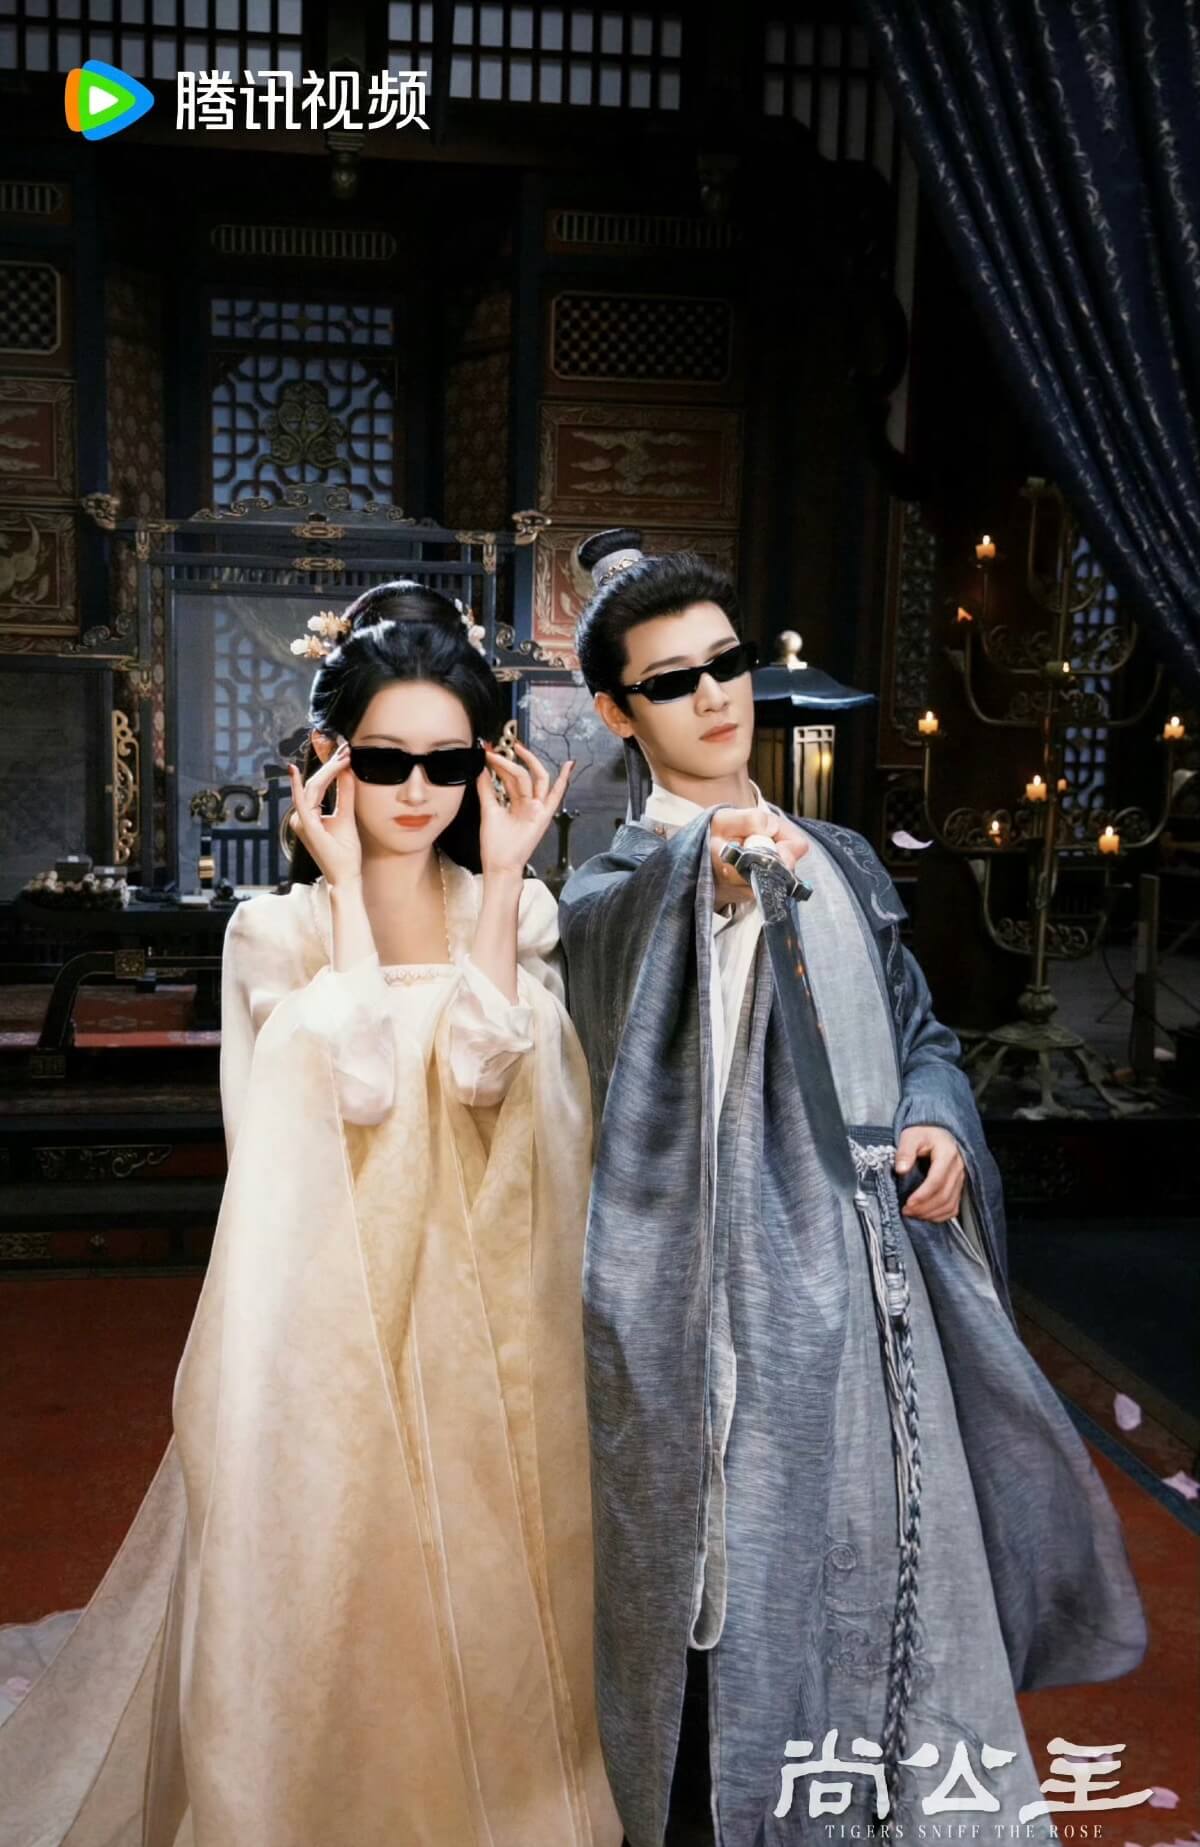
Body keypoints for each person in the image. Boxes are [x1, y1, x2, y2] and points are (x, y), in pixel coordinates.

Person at [0, 582, 623, 1847]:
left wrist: (508, 871)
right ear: (331, 761)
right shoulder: (274, 931)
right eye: (386, 760)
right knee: (332, 1559)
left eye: (448, 761)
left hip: (485, 1309)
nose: (417, 789)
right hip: (328, 1304)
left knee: (485, 1564)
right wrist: (343, 890)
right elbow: (354, 1086)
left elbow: (487, 1073)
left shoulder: (516, 910)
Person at [557, 529, 1147, 1847]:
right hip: (724, 1301)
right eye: (671, 680)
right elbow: (612, 955)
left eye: (725, 663)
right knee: (732, 1587)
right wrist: (708, 874)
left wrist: (936, 1117)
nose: (715, 696)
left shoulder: (847, 857)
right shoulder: (612, 882)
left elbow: (917, 1025)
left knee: (887, 1570)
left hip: (879, 1287)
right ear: (616, 711)